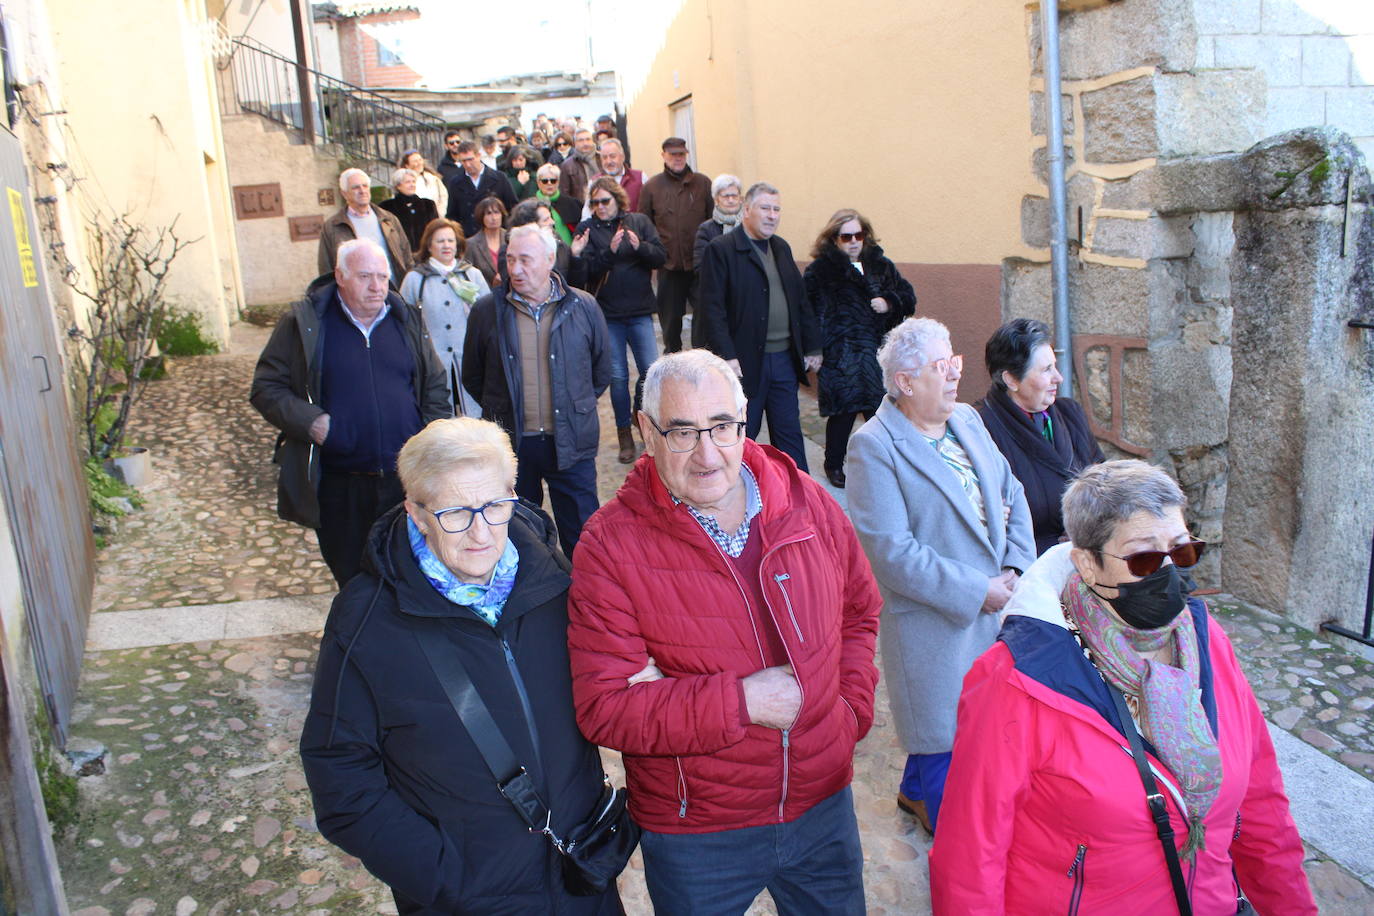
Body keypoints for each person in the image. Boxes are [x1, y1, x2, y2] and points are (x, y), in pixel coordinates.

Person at [567, 349, 882, 915]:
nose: (709, 454)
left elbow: (859, 611)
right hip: (697, 831)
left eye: (723, 427)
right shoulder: (609, 546)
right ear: (646, 431)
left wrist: (849, 712)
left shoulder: (805, 501)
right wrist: (742, 700)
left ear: (745, 421)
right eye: (683, 432)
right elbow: (606, 707)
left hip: (821, 810)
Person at [930, 460, 1317, 915]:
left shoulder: (1208, 643)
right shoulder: (1015, 679)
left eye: (1182, 550)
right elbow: (972, 855)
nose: (1169, 571)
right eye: (1146, 557)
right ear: (1088, 565)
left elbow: (1261, 806)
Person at [300, 417, 626, 915]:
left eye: (495, 506)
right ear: (416, 512)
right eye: (455, 512)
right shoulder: (364, 621)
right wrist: (441, 875)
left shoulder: (553, 577)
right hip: (467, 898)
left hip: (580, 877)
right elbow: (339, 772)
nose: (481, 533)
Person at [845, 316, 1035, 833]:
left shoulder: (967, 421)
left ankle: (914, 791)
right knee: (945, 733)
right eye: (940, 366)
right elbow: (892, 552)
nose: (954, 374)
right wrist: (981, 591)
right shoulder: (874, 447)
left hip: (999, 599)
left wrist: (1016, 567)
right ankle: (941, 815)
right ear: (905, 382)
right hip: (937, 620)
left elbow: (1012, 493)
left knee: (982, 722)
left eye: (954, 361)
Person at [251, 239, 450, 586]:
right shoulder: (307, 323)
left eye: (382, 277)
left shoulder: (405, 320)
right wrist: (312, 423)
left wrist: (427, 443)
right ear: (340, 276)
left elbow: (435, 386)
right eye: (365, 277)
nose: (377, 287)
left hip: (402, 482)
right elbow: (266, 387)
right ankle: (357, 639)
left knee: (409, 577)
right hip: (340, 485)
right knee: (353, 581)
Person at [462, 225, 610, 558]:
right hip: (513, 447)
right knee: (519, 539)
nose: (515, 269)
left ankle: (585, 601)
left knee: (584, 537)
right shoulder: (487, 311)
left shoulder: (583, 306)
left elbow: (600, 372)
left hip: (572, 444)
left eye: (525, 260)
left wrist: (574, 407)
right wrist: (501, 408)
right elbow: (473, 376)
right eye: (510, 259)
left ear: (549, 260)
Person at [697, 182, 821, 474]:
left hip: (783, 361)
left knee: (789, 438)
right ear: (747, 209)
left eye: (777, 209)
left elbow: (800, 301)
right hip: (743, 362)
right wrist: (726, 355)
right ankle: (734, 496)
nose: (772, 215)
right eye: (765, 208)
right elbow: (711, 308)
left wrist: (813, 345)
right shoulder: (722, 250)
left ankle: (797, 498)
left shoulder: (781, 248)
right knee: (742, 436)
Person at [805, 209, 917, 489]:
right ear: (834, 239)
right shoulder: (820, 271)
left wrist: (889, 302)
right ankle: (834, 464)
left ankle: (887, 465)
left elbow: (907, 296)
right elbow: (805, 313)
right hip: (840, 353)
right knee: (841, 415)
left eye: (859, 235)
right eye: (846, 237)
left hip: (876, 354)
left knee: (881, 414)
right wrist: (814, 349)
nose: (854, 241)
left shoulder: (880, 265)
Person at [977, 317, 1105, 554]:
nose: (1059, 377)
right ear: (1011, 380)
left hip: (1086, 554)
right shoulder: (981, 429)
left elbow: (1103, 480)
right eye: (1047, 370)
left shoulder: (1070, 413)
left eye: (1054, 366)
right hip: (1027, 566)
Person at [570, 177, 665, 464]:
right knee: (618, 377)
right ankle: (624, 432)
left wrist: (640, 248)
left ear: (617, 199)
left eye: (605, 201)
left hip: (639, 311)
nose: (600, 207)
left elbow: (660, 257)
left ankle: (647, 422)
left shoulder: (638, 222)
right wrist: (609, 253)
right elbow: (584, 273)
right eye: (595, 202)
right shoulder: (587, 229)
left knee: (650, 372)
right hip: (608, 314)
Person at [400, 218, 489, 418]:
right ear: (429, 245)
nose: (446, 245)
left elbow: (489, 318)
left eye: (450, 240)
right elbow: (404, 321)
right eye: (440, 241)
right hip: (433, 364)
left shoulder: (472, 275)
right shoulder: (416, 279)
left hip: (469, 361)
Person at [638, 137, 713, 353]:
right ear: (663, 156)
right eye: (672, 154)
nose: (677, 158)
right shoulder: (652, 187)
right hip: (668, 266)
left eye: (681, 154)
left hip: (700, 266)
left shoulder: (703, 183)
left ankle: (702, 358)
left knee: (705, 315)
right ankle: (672, 361)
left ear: (686, 154)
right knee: (670, 323)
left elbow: (712, 221)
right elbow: (644, 225)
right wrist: (654, 255)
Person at [318, 168, 413, 283]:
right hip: (357, 295)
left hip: (393, 290)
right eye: (356, 187)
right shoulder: (332, 227)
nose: (362, 190)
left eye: (365, 186)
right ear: (344, 193)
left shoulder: (388, 219)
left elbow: (406, 255)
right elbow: (326, 268)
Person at [444, 140, 517, 237]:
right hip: (469, 238)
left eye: (470, 159)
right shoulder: (455, 183)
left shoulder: (499, 178)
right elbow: (452, 215)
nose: (468, 165)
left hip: (497, 236)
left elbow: (512, 208)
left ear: (479, 155)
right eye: (464, 161)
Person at [508, 199, 585, 290]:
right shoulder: (510, 250)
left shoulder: (561, 246)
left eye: (550, 217)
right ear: (530, 225)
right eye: (546, 220)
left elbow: (576, 284)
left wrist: (575, 255)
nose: (552, 222)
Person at [379, 168, 439, 257]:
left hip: (427, 254)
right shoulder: (387, 207)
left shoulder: (428, 204)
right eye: (408, 182)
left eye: (413, 181)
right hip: (402, 255)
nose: (412, 185)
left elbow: (436, 229)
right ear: (398, 186)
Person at [692, 173, 742, 272]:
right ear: (716, 199)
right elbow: (700, 266)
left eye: (734, 196)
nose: (731, 200)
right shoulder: (706, 229)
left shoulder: (750, 225)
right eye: (726, 196)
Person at [534, 163, 582, 246]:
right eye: (545, 181)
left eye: (553, 181)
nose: (549, 184)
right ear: (538, 183)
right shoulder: (531, 205)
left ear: (558, 182)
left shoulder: (572, 203)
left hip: (569, 251)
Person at [465, 197, 507, 288]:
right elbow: (468, 278)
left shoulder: (511, 238)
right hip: (485, 296)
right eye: (488, 213)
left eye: (496, 212)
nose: (494, 218)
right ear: (481, 217)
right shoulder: (471, 244)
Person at [399, 149, 448, 223]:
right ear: (407, 165)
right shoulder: (403, 181)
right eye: (415, 161)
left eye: (420, 160)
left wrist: (439, 214)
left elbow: (443, 197)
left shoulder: (433, 178)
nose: (419, 163)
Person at [597, 138, 643, 212]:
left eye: (612, 156)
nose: (608, 161)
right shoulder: (595, 181)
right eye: (604, 157)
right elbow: (588, 213)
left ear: (622, 157)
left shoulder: (640, 177)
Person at [558, 128, 601, 202]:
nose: (585, 143)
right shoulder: (567, 165)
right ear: (575, 143)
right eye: (581, 140)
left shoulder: (602, 159)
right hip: (580, 208)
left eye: (588, 139)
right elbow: (564, 194)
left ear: (592, 141)